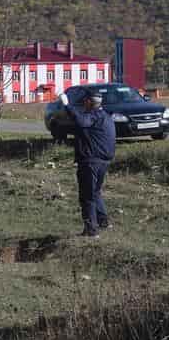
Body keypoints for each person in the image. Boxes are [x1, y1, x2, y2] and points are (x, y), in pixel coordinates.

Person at [58, 89, 116, 238]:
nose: (83, 104)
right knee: (95, 192)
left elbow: (81, 120)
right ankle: (103, 222)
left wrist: (67, 105)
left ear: (90, 102)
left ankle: (91, 230)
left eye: (85, 101)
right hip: (103, 161)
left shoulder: (93, 116)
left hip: (91, 161)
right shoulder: (105, 116)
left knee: (87, 196)